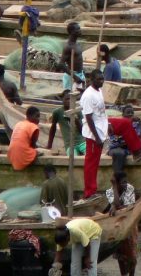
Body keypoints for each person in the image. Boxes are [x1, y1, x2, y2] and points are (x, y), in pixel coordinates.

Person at [81, 69, 109, 199]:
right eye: (98, 79)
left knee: (95, 163)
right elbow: (88, 118)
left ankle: (93, 189)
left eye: (102, 79)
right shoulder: (88, 96)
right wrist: (96, 137)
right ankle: (89, 192)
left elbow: (101, 112)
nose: (101, 81)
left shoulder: (99, 91)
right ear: (92, 80)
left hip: (101, 131)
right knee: (90, 164)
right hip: (93, 135)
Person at [105, 171, 138, 276]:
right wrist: (114, 187)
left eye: (126, 182)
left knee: (132, 254)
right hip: (118, 225)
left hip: (130, 224)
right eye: (122, 182)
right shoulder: (109, 191)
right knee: (120, 253)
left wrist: (115, 206)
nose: (125, 184)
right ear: (117, 183)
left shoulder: (130, 188)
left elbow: (124, 207)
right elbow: (118, 205)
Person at [47, 89, 86, 156]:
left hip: (81, 141)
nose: (69, 101)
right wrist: (49, 145)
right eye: (67, 99)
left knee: (89, 154)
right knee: (72, 157)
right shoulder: (57, 112)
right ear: (62, 99)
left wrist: (75, 120)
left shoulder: (77, 111)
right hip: (69, 144)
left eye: (70, 99)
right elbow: (53, 128)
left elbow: (82, 131)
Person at [7, 106, 41, 171]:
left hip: (10, 153)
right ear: (29, 116)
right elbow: (33, 145)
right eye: (37, 116)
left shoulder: (19, 123)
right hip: (22, 153)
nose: (38, 119)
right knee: (37, 152)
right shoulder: (34, 126)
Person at [59, 22, 85, 92]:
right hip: (72, 77)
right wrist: (75, 77)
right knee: (70, 98)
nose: (80, 30)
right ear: (72, 32)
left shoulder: (77, 44)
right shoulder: (68, 47)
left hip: (80, 74)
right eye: (78, 29)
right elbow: (61, 64)